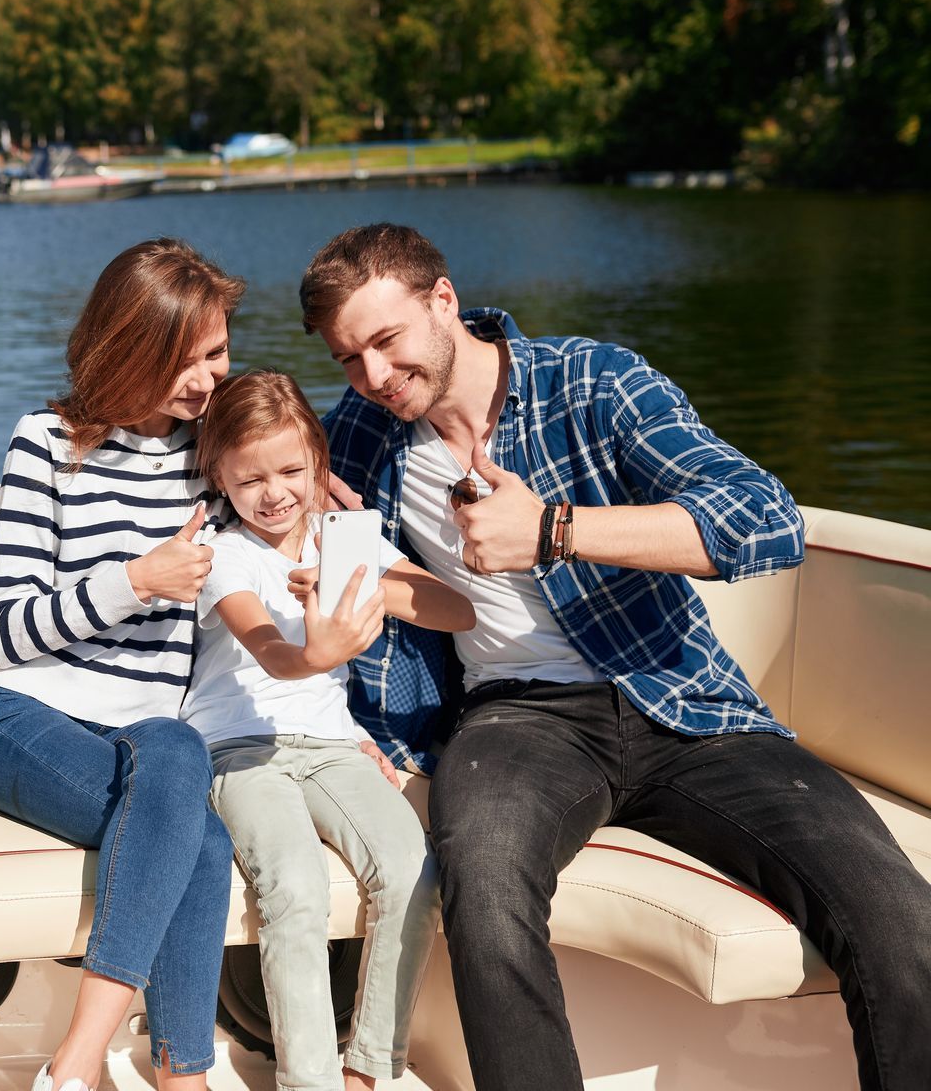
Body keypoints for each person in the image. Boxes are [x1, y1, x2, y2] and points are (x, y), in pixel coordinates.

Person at [299, 221, 931, 1091]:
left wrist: (553, 530)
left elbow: (765, 520)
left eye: (386, 340)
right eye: (347, 359)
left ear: (443, 301)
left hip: (684, 700)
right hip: (518, 719)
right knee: (483, 887)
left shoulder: (593, 381)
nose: (373, 377)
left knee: (898, 915)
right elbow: (239, 463)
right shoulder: (362, 438)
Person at [0, 237, 243, 1091]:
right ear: (127, 349)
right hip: (22, 720)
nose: (207, 380)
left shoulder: (216, 456)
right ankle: (146, 1071)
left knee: (184, 772)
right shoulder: (47, 442)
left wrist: (313, 493)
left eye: (218, 353)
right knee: (195, 833)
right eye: (183, 361)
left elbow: (283, 520)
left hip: (152, 741)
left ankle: (98, 1065)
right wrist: (136, 582)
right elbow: (2, 633)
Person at [187, 369, 472, 1091]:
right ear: (219, 476)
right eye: (250, 479)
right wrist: (318, 651)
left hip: (333, 746)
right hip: (239, 749)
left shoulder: (344, 541)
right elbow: (273, 653)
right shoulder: (224, 554)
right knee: (295, 885)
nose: (274, 493)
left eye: (290, 470)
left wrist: (367, 583)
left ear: (318, 460)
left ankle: (367, 1071)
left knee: (413, 869)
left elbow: (455, 610)